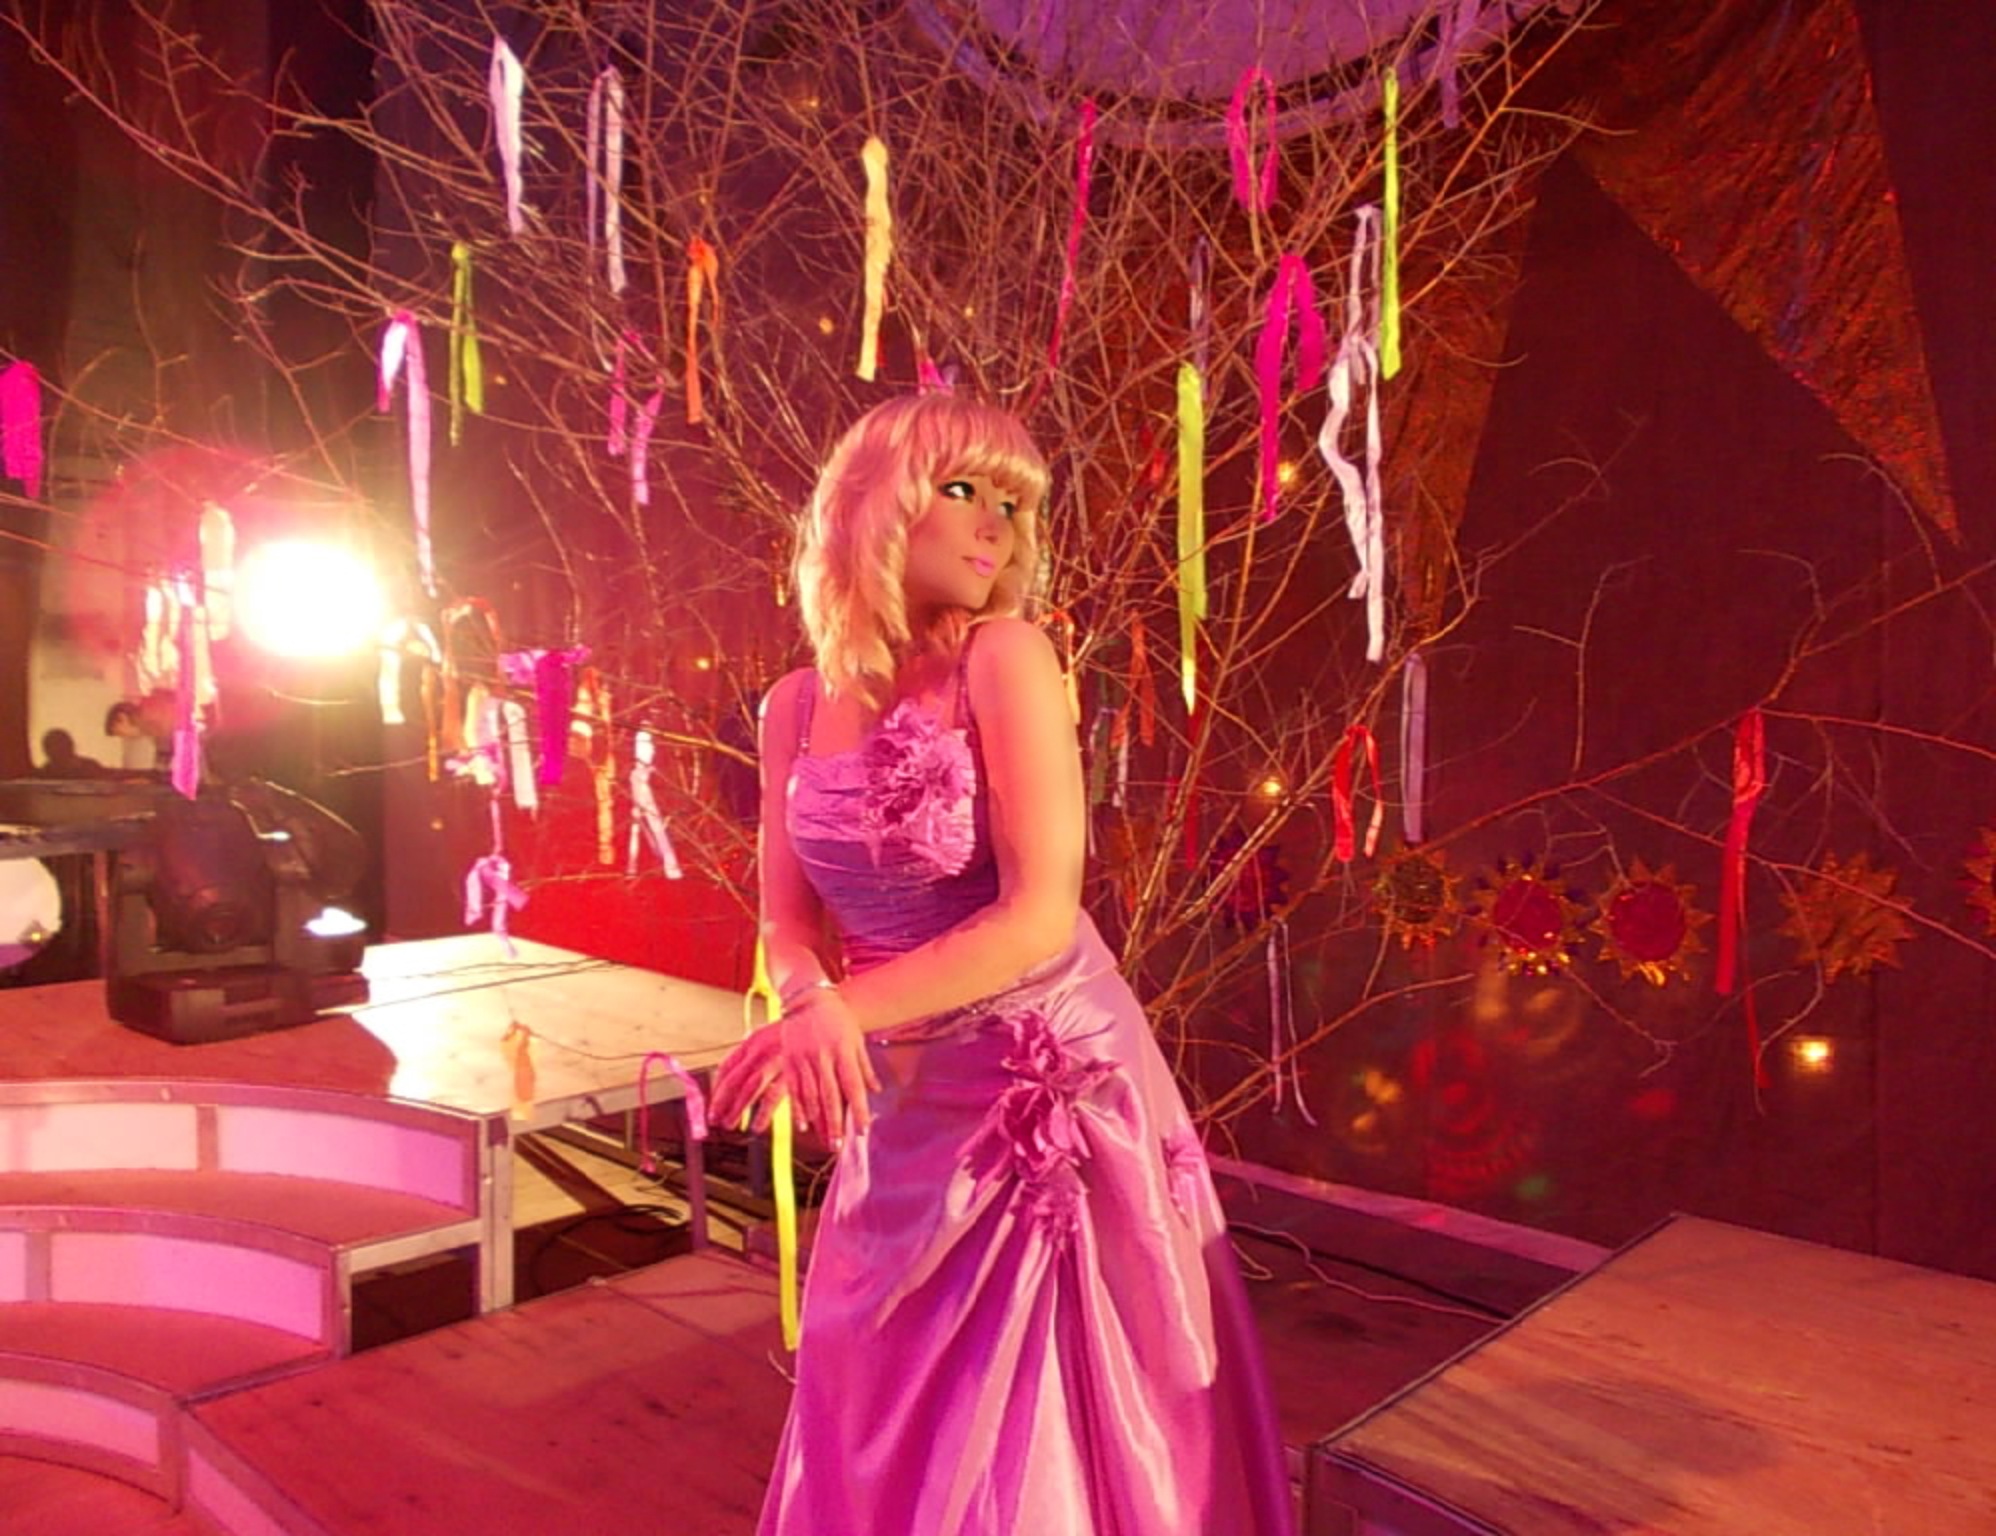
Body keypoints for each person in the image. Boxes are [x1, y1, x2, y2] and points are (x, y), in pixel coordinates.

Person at [710, 394, 1296, 1535]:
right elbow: (786, 921)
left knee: (1036, 1425)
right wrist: (808, 1000)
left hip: (1036, 1079)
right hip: (897, 1090)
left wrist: (839, 1014)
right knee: (881, 1374)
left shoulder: (1005, 655)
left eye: (1016, 503)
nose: (997, 526)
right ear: (873, 504)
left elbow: (1038, 917)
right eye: (964, 490)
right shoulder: (792, 704)